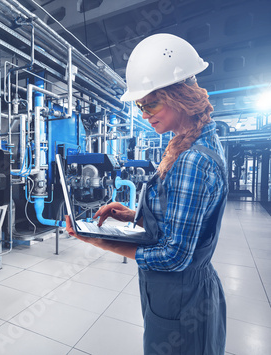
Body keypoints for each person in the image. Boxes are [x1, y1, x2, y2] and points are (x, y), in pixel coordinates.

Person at [66, 33, 227, 355]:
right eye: (141, 105)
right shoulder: (190, 143)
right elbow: (180, 218)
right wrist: (130, 215)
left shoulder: (193, 159)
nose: (144, 113)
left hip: (181, 293)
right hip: (179, 291)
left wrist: (101, 241)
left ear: (179, 96)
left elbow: (174, 256)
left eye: (151, 102)